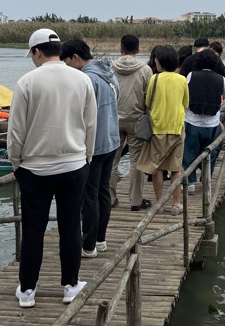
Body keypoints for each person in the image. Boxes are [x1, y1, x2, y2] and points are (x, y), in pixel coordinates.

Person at [8, 28, 96, 308]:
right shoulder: (82, 80)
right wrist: (87, 157)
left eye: (31, 54)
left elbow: (16, 131)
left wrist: (16, 163)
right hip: (74, 165)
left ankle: (28, 291)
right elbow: (90, 124)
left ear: (37, 51)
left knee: (33, 229)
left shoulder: (27, 82)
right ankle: (70, 285)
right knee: (70, 226)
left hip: (34, 169)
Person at [60, 38, 120, 258]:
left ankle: (88, 245)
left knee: (89, 195)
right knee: (103, 191)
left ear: (75, 58)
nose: (66, 68)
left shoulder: (87, 78)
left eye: (66, 62)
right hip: (112, 140)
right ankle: (100, 239)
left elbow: (77, 113)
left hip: (94, 144)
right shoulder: (110, 75)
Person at [136, 45, 188, 216]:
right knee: (175, 168)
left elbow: (148, 101)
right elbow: (185, 103)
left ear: (160, 62)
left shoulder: (154, 79)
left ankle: (159, 204)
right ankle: (176, 204)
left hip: (157, 127)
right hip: (176, 127)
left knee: (157, 168)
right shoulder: (182, 80)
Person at [109, 34, 152, 211]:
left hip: (113, 119)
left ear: (121, 49)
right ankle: (136, 201)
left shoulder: (110, 67)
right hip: (137, 120)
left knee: (112, 160)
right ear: (138, 49)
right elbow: (149, 97)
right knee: (137, 161)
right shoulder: (145, 70)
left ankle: (110, 198)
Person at [182, 49, 225, 194]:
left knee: (189, 152)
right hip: (212, 124)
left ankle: (190, 183)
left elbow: (184, 92)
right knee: (211, 153)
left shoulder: (191, 75)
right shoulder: (220, 79)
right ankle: (206, 180)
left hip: (192, 121)